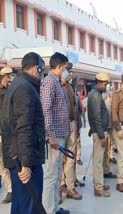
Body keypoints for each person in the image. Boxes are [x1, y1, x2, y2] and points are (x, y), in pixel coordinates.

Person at [2, 52, 46, 213]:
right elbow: (24, 128)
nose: (43, 73)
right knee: (28, 206)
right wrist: (26, 164)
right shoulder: (25, 89)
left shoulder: (20, 84)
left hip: (20, 157)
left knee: (21, 205)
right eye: (42, 69)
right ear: (36, 69)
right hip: (26, 161)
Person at [41, 52, 70, 214]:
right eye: (65, 68)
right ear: (59, 67)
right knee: (51, 176)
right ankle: (48, 210)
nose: (66, 71)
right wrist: (51, 135)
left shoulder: (57, 82)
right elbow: (46, 110)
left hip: (60, 134)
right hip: (54, 137)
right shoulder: (49, 83)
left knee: (57, 173)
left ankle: (55, 207)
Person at [87, 72, 113, 197]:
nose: (106, 86)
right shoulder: (96, 96)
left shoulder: (96, 94)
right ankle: (98, 188)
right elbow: (96, 118)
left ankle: (100, 183)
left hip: (100, 131)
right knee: (98, 161)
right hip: (99, 133)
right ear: (100, 83)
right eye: (105, 84)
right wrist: (102, 136)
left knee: (101, 159)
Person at [60, 62, 82, 201]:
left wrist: (78, 126)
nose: (70, 73)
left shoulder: (70, 86)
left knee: (71, 156)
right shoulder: (56, 86)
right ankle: (63, 185)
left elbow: (75, 108)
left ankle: (69, 184)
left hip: (72, 123)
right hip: (61, 125)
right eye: (68, 71)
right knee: (60, 158)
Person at [0, 67, 13, 204]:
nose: (9, 80)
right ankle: (10, 188)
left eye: (11, 77)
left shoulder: (11, 91)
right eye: (7, 77)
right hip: (2, 132)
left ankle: (11, 189)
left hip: (8, 133)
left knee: (6, 161)